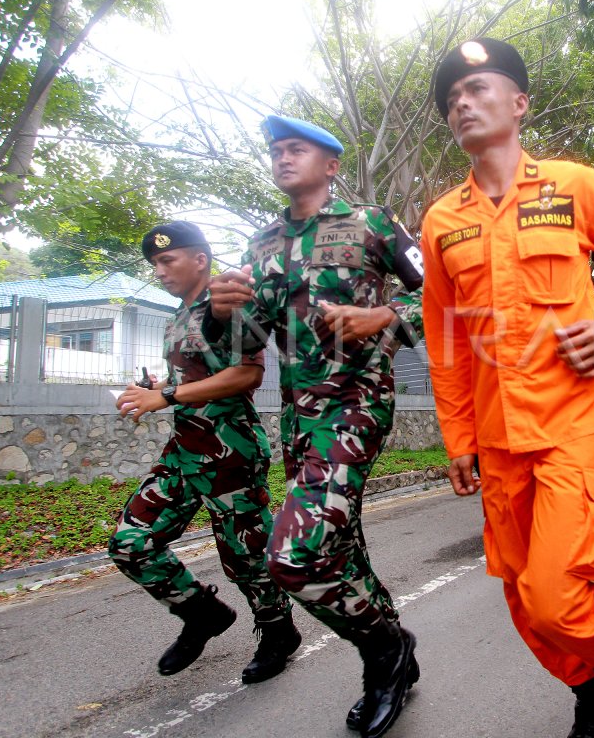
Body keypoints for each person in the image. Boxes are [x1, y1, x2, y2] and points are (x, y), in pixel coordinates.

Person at [422, 37, 594, 737]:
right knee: (524, 603)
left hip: (572, 426)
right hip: (496, 440)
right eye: (452, 100)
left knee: (556, 599)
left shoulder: (574, 185)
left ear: (519, 104)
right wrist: (458, 439)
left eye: (479, 89)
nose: (463, 103)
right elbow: (447, 342)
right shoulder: (442, 220)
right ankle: (593, 693)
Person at [205, 115, 424, 738]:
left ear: (330, 165)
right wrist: (224, 314)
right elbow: (247, 346)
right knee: (338, 544)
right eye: (275, 151)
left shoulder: (372, 224)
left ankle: (384, 654)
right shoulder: (261, 244)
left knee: (293, 557)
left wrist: (378, 315)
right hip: (298, 419)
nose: (282, 158)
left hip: (355, 405)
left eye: (296, 149)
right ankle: (392, 643)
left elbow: (437, 294)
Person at [110, 222, 298, 684]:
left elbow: (246, 375)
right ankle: (203, 614)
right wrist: (156, 389)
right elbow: (195, 377)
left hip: (230, 450)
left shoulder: (228, 303)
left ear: (199, 259)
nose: (159, 271)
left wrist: (167, 398)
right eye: (154, 263)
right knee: (130, 544)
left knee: (245, 557)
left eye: (167, 260)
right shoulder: (178, 315)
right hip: (185, 448)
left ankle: (278, 631)